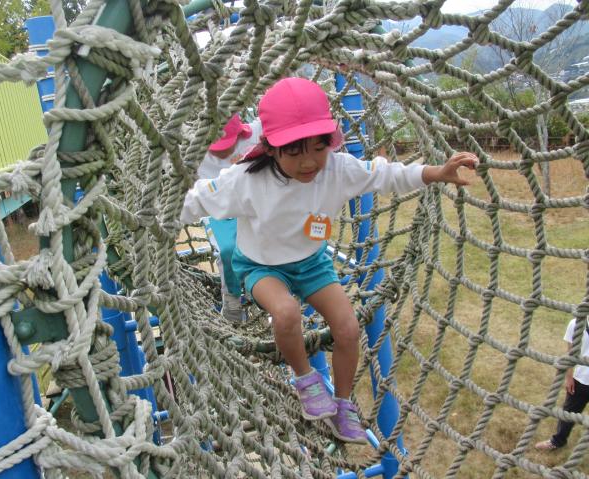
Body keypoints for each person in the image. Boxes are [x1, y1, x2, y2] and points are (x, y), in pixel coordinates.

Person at [181, 77, 478, 444]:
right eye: (294, 152)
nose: (309, 162)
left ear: (329, 143)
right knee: (286, 313)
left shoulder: (336, 170)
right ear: (271, 148)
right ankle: (306, 379)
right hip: (260, 265)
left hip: (312, 263)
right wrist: (158, 216)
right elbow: (197, 199)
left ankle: (342, 403)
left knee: (348, 327)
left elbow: (383, 174)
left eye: (318, 148)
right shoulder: (246, 180)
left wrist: (435, 173)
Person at [199, 114, 261, 322]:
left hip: (250, 204)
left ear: (241, 133)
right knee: (227, 250)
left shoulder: (254, 134)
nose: (223, 151)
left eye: (228, 144)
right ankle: (232, 297)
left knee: (260, 242)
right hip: (218, 209)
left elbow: (271, 119)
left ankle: (255, 285)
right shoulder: (196, 153)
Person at [535, 317, 589, 451]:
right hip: (581, 378)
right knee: (568, 413)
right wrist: (569, 377)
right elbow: (570, 353)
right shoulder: (576, 324)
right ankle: (558, 441)